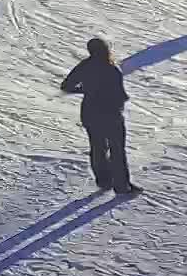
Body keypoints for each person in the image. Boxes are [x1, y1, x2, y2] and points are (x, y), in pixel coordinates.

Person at [60, 37, 140, 194]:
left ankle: (103, 181)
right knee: (117, 150)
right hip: (111, 114)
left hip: (90, 113)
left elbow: (66, 86)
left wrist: (86, 90)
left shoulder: (85, 66)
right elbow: (120, 95)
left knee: (97, 148)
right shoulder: (112, 69)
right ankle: (121, 186)